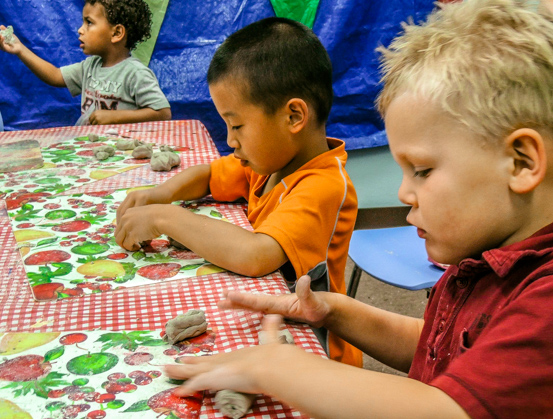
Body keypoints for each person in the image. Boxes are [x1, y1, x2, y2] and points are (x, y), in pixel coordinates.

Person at [164, 0, 553, 417]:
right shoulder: (480, 261)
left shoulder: (544, 301)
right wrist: (336, 312)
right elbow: (435, 347)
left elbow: (443, 408)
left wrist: (282, 370)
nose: (404, 193)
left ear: (521, 162)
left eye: (421, 170)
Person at [115, 17, 361, 366]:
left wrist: (163, 216)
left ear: (293, 117)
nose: (230, 141)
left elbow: (256, 255)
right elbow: (210, 174)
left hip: (318, 354)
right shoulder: (269, 162)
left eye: (237, 125)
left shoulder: (325, 185)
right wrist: (159, 194)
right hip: (268, 324)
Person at [0, 0, 171, 125]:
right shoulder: (90, 66)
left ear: (117, 33)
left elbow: (163, 113)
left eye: (89, 22)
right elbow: (55, 75)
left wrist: (115, 116)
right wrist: (19, 48)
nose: (80, 30)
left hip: (122, 157)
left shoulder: (135, 73)